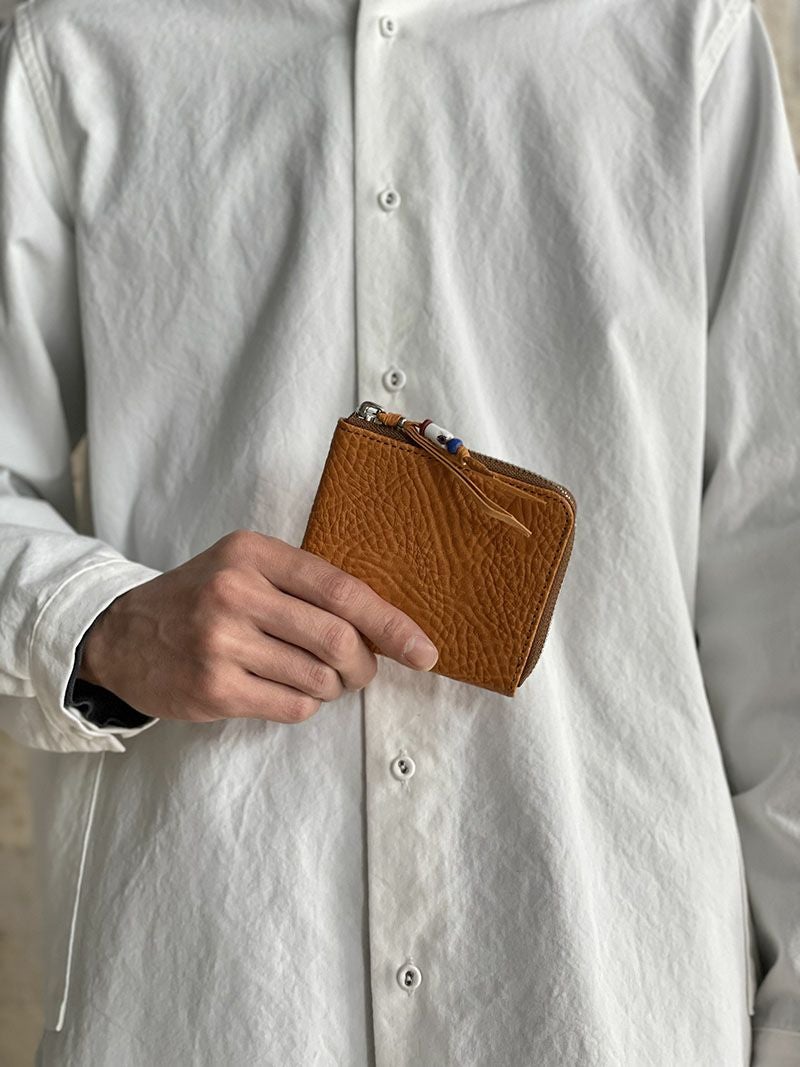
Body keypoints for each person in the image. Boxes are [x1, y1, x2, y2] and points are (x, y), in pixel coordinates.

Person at [0, 0, 798, 1062]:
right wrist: (102, 624)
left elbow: (776, 544)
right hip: (214, 985)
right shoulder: (80, 40)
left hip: (602, 985)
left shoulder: (682, 31)